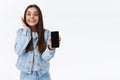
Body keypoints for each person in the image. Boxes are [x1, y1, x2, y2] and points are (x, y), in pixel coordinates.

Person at [14, 4, 60, 80]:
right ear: (25, 17)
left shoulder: (46, 33)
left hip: (44, 75)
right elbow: (18, 51)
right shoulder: (21, 33)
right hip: (26, 75)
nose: (32, 17)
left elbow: (45, 58)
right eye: (29, 14)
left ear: (40, 17)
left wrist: (51, 48)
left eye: (36, 14)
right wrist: (26, 30)